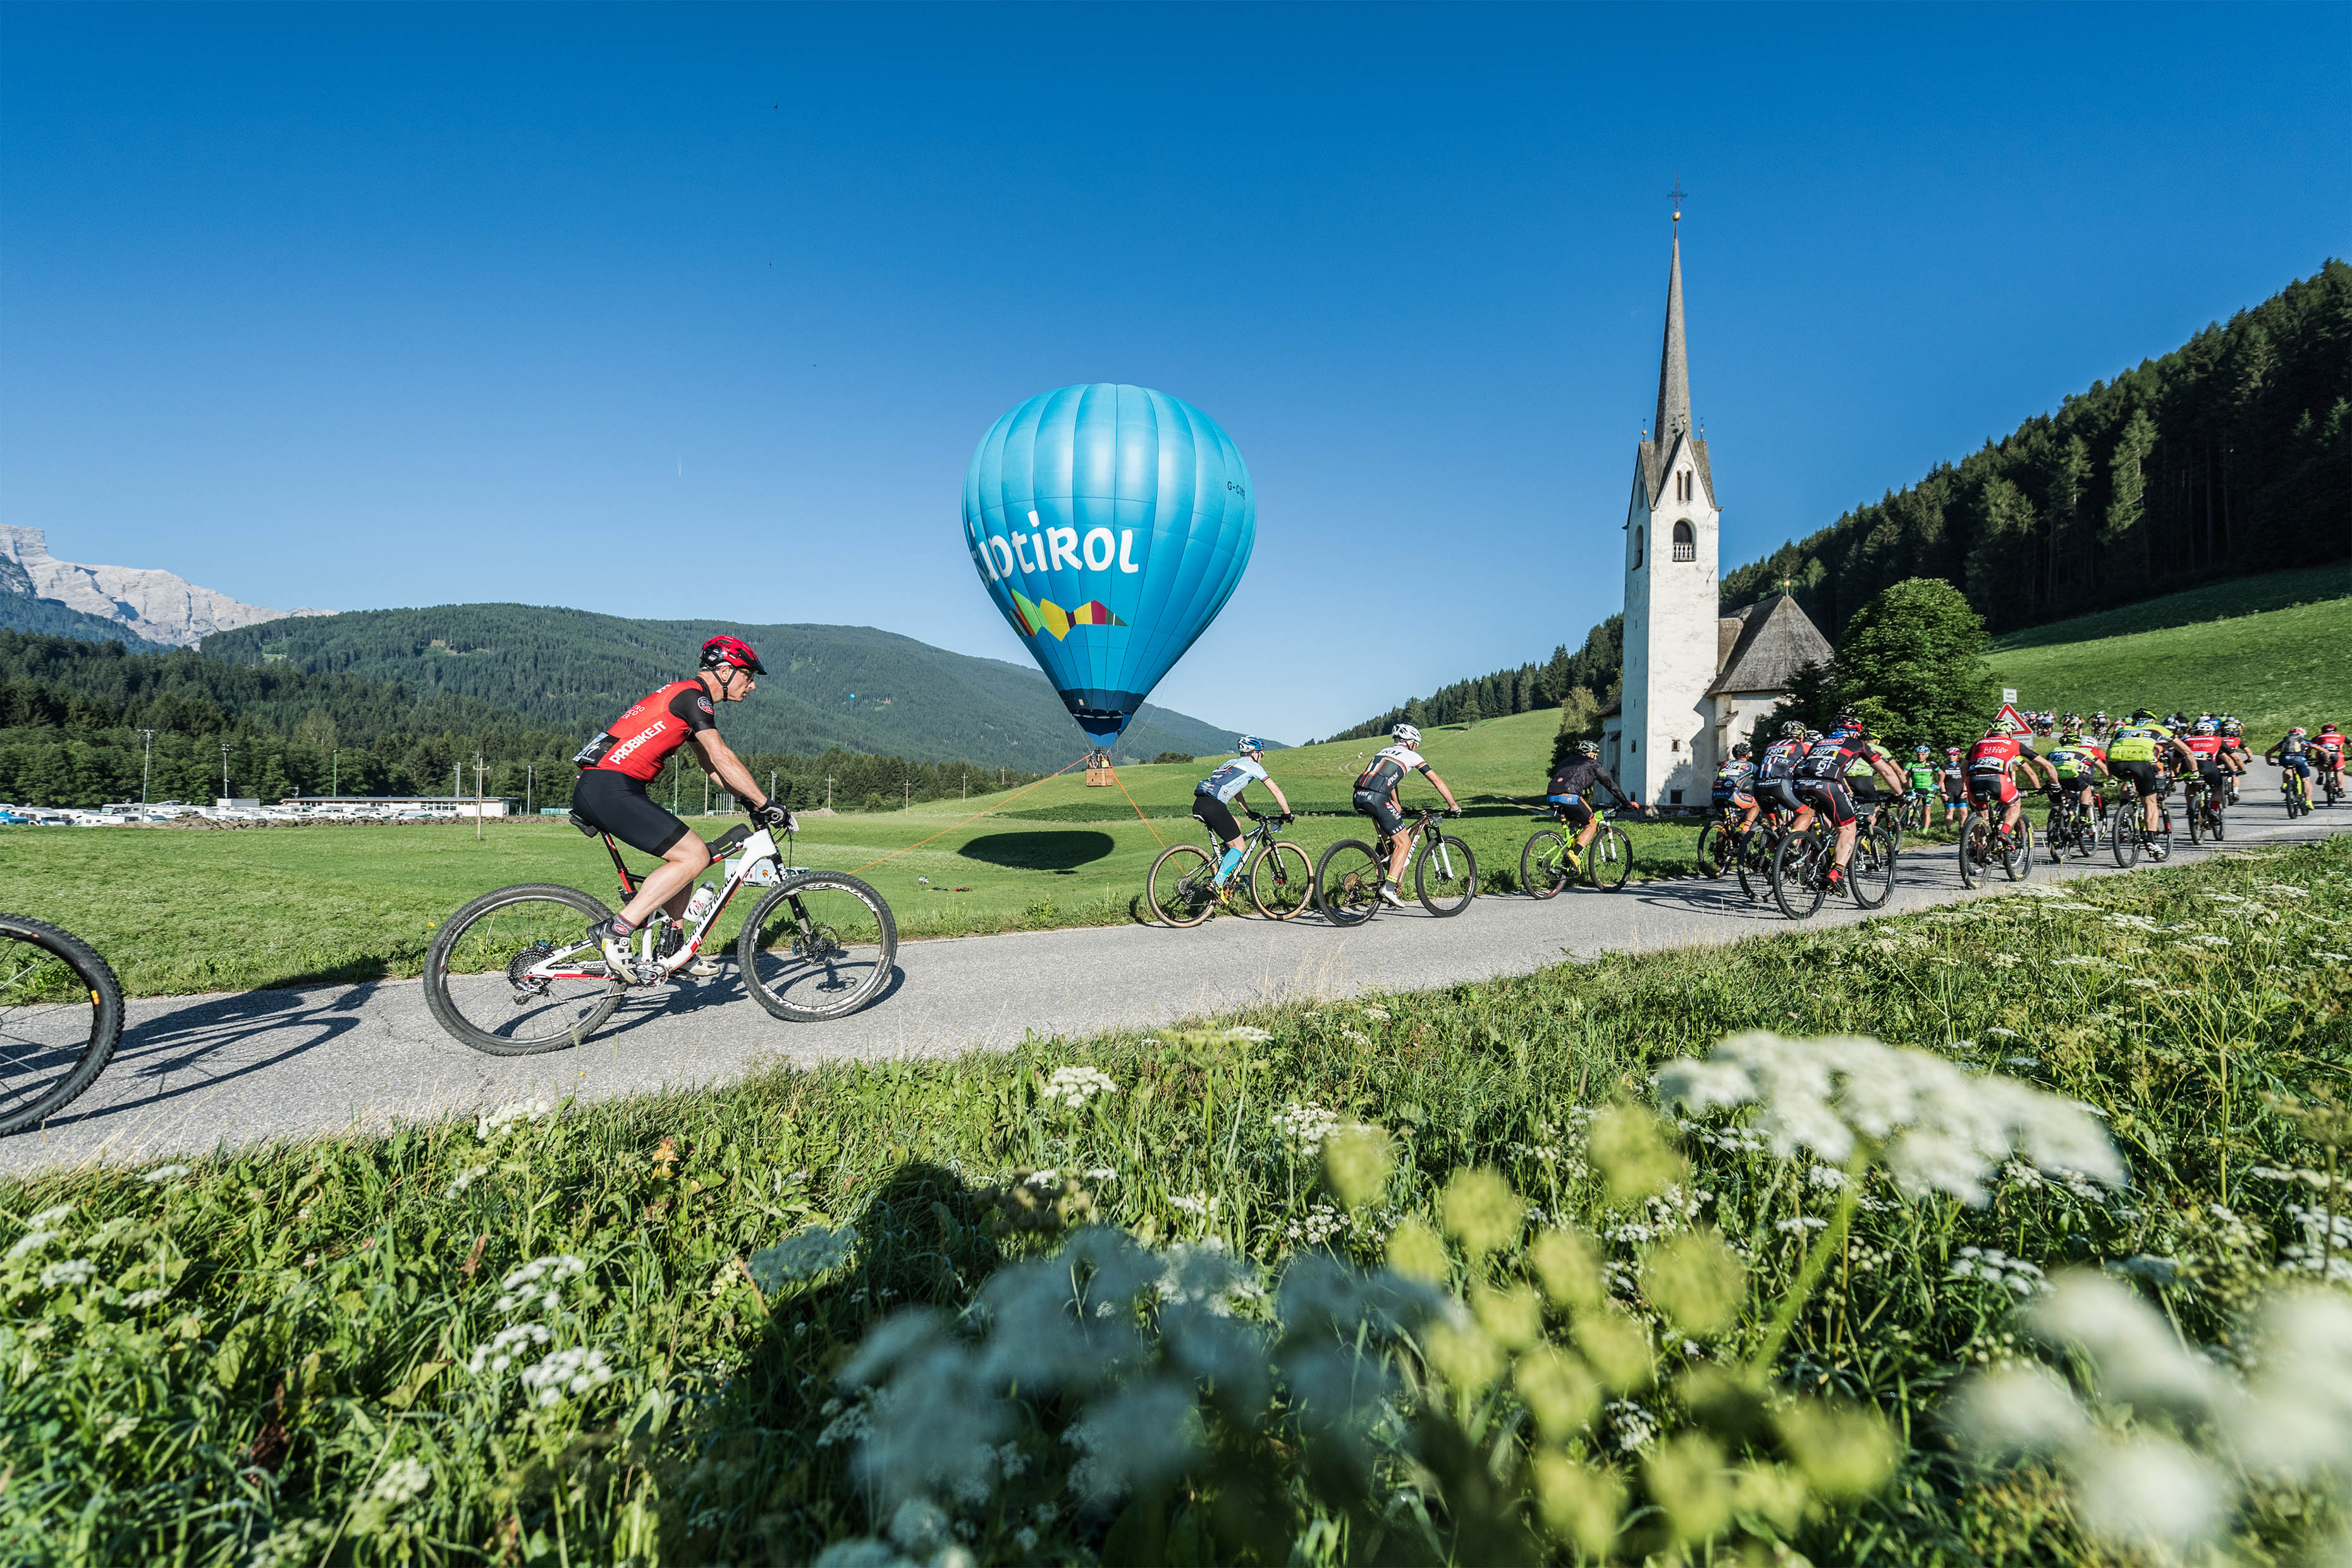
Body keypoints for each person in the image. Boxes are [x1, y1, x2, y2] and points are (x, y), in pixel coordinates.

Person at [572, 636, 795, 977]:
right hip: (610, 787)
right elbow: (722, 755)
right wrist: (767, 802)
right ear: (724, 670)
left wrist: (749, 803)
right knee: (694, 856)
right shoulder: (694, 698)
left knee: (690, 855)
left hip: (608, 786)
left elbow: (713, 768)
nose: (752, 686)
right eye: (747, 676)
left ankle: (673, 947)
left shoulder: (685, 698)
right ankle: (617, 930)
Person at [1791, 711, 1910, 894]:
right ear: (1855, 732)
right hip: (1828, 785)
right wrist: (1900, 794)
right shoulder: (1858, 744)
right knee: (1848, 829)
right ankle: (1837, 872)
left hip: (1800, 786)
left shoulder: (1819, 743)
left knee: (1830, 827)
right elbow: (1886, 772)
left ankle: (1814, 860)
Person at [1354, 724, 1462, 907]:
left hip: (1359, 795)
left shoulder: (1383, 751)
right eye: (1417, 745)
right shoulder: (1412, 756)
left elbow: (1386, 778)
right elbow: (1437, 781)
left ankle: (1379, 871)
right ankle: (1389, 887)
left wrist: (1396, 803)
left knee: (1386, 839)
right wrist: (1454, 806)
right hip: (1378, 798)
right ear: (1412, 743)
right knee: (1404, 842)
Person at [1192, 738, 1292, 891]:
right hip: (1214, 805)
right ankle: (1217, 882)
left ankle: (1223, 868)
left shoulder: (1231, 762)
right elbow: (1275, 791)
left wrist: (1248, 811)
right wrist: (1287, 813)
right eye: (1261, 754)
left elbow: (1237, 789)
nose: (1262, 757)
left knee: (1236, 824)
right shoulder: (1254, 767)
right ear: (1255, 754)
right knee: (1240, 845)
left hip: (1200, 802)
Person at [1548, 738, 1639, 874]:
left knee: (1576, 821)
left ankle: (1568, 856)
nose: (1596, 758)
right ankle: (1574, 855)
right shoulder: (1593, 764)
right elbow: (1611, 785)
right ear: (1590, 754)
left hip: (1551, 795)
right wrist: (1626, 804)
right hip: (1571, 795)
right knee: (1591, 825)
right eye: (1595, 755)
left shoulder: (1566, 761)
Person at [1965, 720, 2061, 848]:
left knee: (1983, 817)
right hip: (1998, 780)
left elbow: (1963, 767)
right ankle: (2004, 832)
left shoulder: (1978, 743)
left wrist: (1964, 785)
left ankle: (1978, 848)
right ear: (2010, 733)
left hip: (1973, 780)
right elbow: (2048, 766)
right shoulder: (2014, 744)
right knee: (2014, 805)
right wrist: (2055, 785)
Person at [2107, 709, 2194, 848]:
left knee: (2128, 781)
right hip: (2141, 764)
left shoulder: (2122, 730)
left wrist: (2110, 775)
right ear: (2152, 721)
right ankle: (2151, 841)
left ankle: (2124, 810)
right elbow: (2187, 751)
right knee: (2150, 801)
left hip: (2115, 765)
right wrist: (2194, 771)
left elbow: (2109, 752)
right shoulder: (2158, 728)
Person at [2042, 729, 2110, 833]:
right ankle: (2083, 814)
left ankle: (2057, 825)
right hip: (2073, 777)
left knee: (2058, 804)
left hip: (2053, 779)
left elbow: (2043, 768)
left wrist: (2045, 781)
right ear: (2077, 744)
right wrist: (2110, 778)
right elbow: (2101, 765)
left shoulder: (2051, 752)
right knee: (2086, 789)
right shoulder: (2083, 751)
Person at [2180, 720, 2241, 819]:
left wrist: (2175, 773)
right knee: (2217, 788)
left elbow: (2175, 760)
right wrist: (2238, 771)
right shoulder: (2216, 740)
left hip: (2188, 767)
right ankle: (2214, 809)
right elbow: (2232, 758)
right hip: (2209, 767)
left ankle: (2191, 808)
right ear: (2211, 732)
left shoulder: (2186, 740)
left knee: (2190, 786)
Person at [1712, 742, 1761, 838]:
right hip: (1732, 794)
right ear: (1747, 755)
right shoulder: (1750, 765)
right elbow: (1761, 777)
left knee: (1726, 825)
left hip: (1715, 795)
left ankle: (1719, 849)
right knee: (1756, 804)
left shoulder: (1726, 764)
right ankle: (1745, 829)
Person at [2266, 726, 2316, 809]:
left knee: (2289, 768)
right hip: (2299, 759)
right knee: (2306, 780)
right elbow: (2322, 750)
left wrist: (2269, 762)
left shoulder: (2284, 742)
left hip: (2285, 759)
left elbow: (2269, 752)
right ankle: (2308, 801)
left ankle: (2285, 784)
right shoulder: (2305, 742)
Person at [1902, 745, 1939, 826]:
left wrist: (1938, 785)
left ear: (1927, 755)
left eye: (1922, 754)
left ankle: (1925, 831)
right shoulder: (1911, 764)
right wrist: (1907, 786)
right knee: (1907, 806)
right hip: (1915, 790)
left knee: (1927, 810)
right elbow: (1902, 774)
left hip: (1929, 790)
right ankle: (1905, 824)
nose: (1920, 756)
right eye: (1918, 754)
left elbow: (1942, 774)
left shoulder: (1932, 764)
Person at [2315, 723, 2347, 799]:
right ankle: (2340, 790)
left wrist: (2308, 756)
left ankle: (2321, 775)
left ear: (2323, 731)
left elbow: (2311, 746)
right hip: (2336, 755)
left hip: (2323, 754)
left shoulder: (2318, 737)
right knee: (2339, 771)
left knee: (2319, 761)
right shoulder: (2342, 736)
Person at [1939, 746, 1968, 826]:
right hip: (1949, 792)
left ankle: (1962, 830)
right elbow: (1941, 781)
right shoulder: (1944, 767)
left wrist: (1965, 790)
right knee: (1949, 811)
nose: (1951, 757)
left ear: (1958, 756)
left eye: (1954, 755)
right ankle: (1948, 831)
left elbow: (1965, 779)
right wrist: (1943, 792)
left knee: (1963, 812)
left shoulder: (1961, 766)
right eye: (1950, 755)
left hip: (1960, 792)